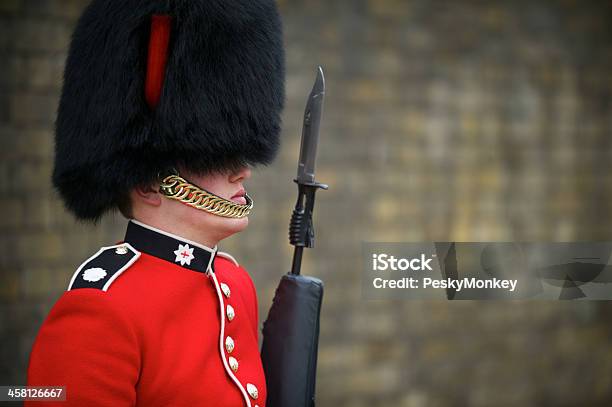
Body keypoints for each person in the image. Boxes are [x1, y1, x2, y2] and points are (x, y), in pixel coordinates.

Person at [26, 0, 285, 406]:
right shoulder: (100, 307)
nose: (242, 172)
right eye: (214, 156)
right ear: (149, 184)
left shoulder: (234, 283)